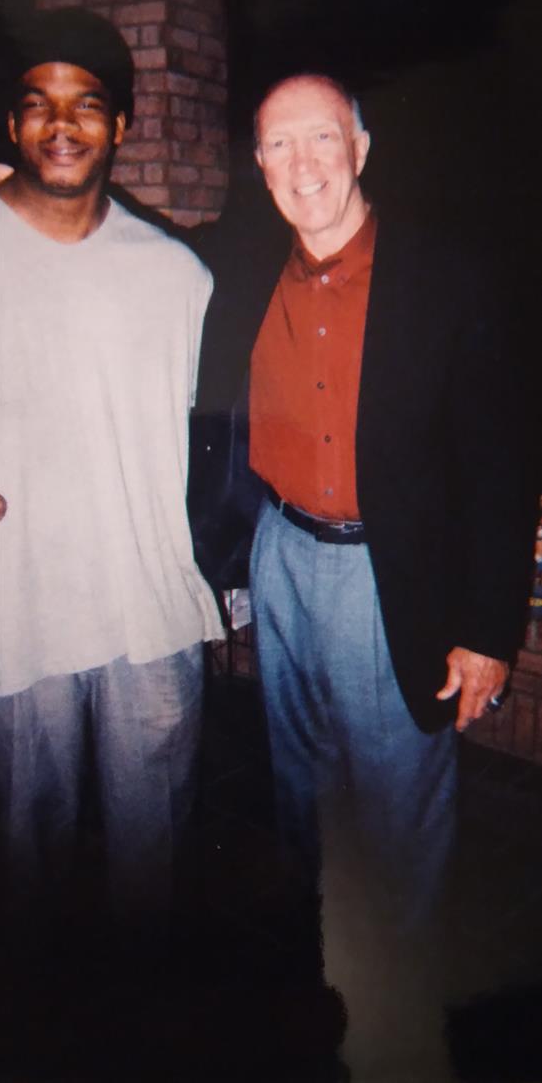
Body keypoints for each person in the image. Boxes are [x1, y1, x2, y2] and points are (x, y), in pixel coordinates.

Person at [240, 73, 536, 1079]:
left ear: (361, 149)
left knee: (399, 811)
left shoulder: (449, 277)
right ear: (258, 166)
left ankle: (400, 1021)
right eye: (277, 147)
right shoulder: (246, 266)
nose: (301, 165)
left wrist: (490, 628)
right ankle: (316, 983)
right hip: (278, 559)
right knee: (300, 791)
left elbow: (500, 465)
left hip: (387, 573)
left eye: (320, 139)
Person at [0, 7, 223, 959]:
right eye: (39, 105)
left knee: (151, 870)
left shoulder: (176, 276)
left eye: (88, 106)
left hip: (148, 614)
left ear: (121, 126)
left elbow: (215, 440)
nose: (63, 124)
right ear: (12, 126)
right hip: (18, 607)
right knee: (20, 864)